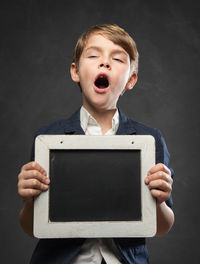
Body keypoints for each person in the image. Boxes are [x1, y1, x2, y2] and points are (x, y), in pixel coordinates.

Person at [18, 24, 174, 264]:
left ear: (131, 79)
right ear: (76, 72)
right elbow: (32, 227)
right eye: (93, 56)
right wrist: (30, 200)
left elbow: (162, 226)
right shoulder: (48, 138)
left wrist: (160, 200)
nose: (105, 63)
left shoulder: (150, 139)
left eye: (118, 59)